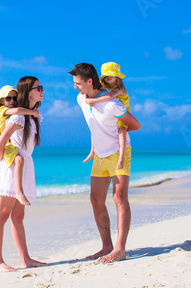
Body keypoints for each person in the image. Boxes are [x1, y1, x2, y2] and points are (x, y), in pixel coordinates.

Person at [69, 62, 141, 264]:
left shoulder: (112, 104)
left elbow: (135, 124)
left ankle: (120, 249)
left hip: (119, 152)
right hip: (99, 155)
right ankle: (106, 246)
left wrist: (119, 132)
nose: (75, 87)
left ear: (89, 81)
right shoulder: (81, 100)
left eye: (78, 83)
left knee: (119, 198)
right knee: (95, 199)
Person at [0, 76, 47, 272]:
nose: (42, 91)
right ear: (28, 90)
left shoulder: (32, 115)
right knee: (1, 215)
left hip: (23, 165)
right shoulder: (18, 116)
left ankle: (26, 259)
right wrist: (1, 161)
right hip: (12, 166)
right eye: (39, 88)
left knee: (18, 217)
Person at [0, 85, 39, 206]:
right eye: (8, 98)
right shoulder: (3, 110)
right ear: (1, 100)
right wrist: (32, 112)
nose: (12, 101)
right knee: (19, 159)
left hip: (3, 143)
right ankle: (19, 192)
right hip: (1, 144)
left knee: (12, 160)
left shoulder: (4, 115)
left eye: (15, 98)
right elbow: (17, 111)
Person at [84, 62, 130, 171]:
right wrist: (87, 98)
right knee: (95, 127)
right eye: (106, 75)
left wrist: (93, 100)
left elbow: (110, 96)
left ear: (117, 77)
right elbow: (88, 89)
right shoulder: (101, 84)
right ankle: (92, 151)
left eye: (111, 75)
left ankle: (121, 158)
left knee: (122, 131)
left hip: (122, 113)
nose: (108, 77)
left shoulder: (119, 88)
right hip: (109, 114)